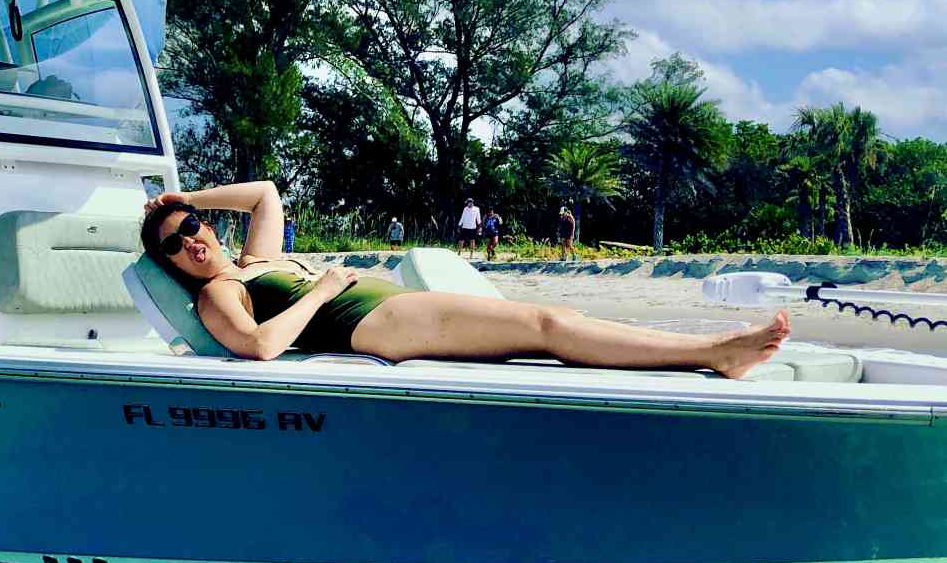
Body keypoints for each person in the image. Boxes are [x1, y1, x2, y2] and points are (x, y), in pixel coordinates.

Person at [142, 180, 789, 376]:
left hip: (394, 308)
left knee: (544, 329)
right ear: (171, 262)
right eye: (176, 243)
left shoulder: (255, 261)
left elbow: (265, 195)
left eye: (193, 225)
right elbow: (258, 346)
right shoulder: (218, 294)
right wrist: (323, 290)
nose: (192, 240)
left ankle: (705, 351)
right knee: (545, 326)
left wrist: (177, 195)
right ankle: (715, 353)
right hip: (378, 325)